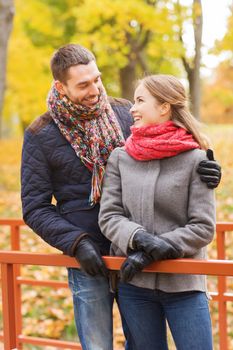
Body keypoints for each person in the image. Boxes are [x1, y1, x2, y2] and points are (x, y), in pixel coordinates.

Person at [21, 44, 220, 350]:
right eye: (83, 85)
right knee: (98, 344)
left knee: (139, 343)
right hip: (89, 257)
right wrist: (76, 243)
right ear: (60, 87)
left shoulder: (125, 112)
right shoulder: (41, 133)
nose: (95, 90)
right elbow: (35, 207)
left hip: (139, 256)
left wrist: (206, 167)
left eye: (97, 79)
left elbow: (167, 147)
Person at [99, 74, 216, 350]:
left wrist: (156, 248)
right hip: (135, 285)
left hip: (184, 284)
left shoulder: (197, 158)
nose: (132, 108)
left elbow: (203, 226)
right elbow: (109, 215)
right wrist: (139, 239)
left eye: (140, 100)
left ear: (164, 107)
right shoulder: (120, 157)